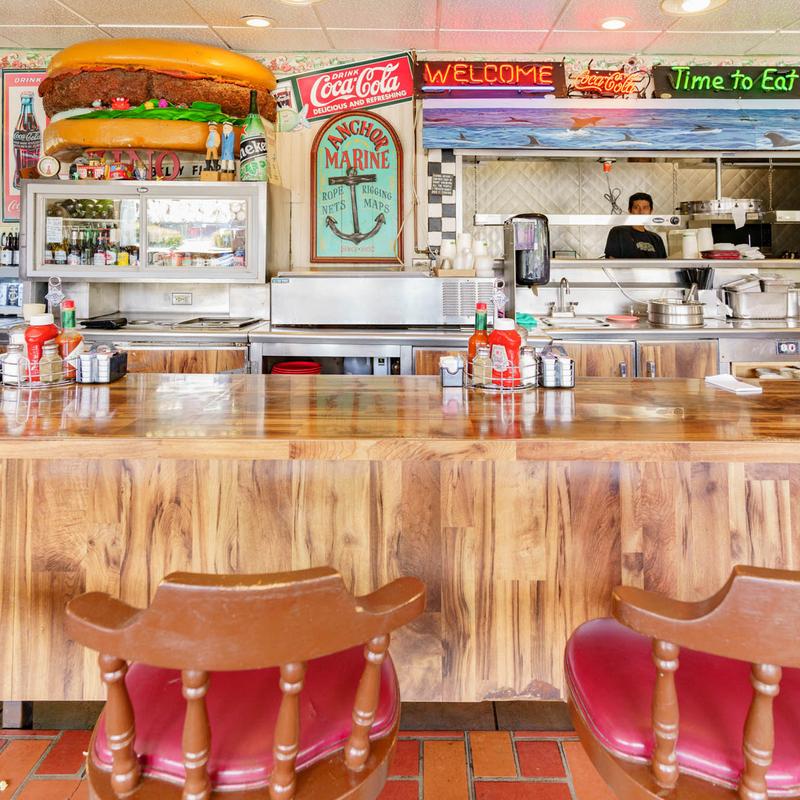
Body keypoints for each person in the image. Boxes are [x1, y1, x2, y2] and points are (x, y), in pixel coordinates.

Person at [604, 192, 667, 259]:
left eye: (645, 208)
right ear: (630, 210)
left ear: (650, 211)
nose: (641, 212)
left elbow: (663, 263)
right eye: (636, 207)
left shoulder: (656, 238)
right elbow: (611, 262)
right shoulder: (618, 232)